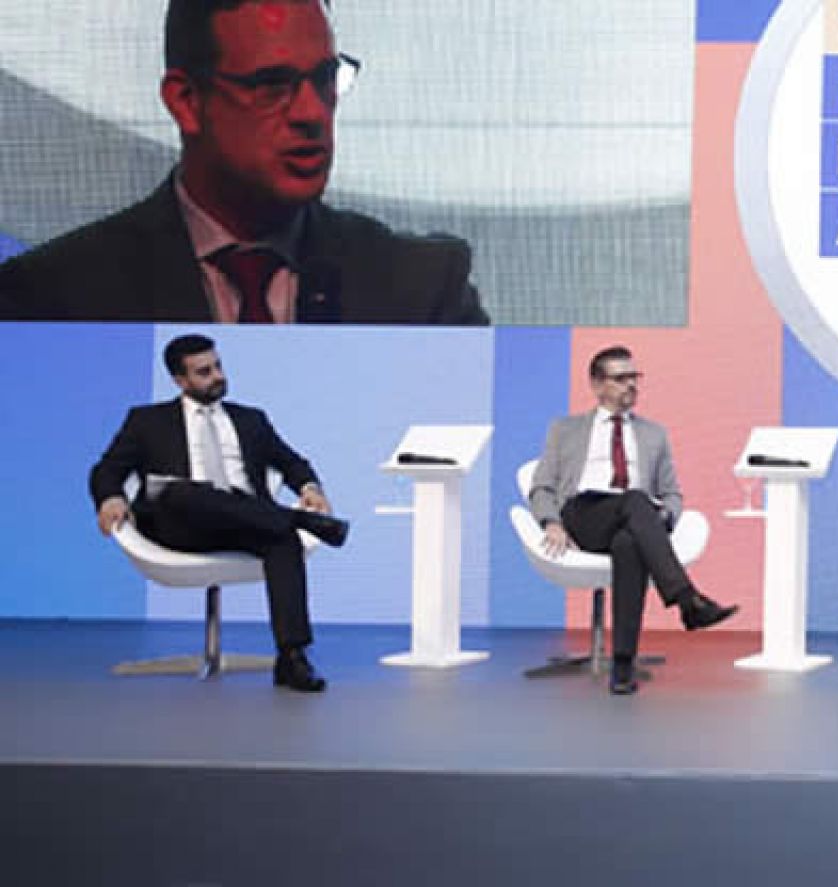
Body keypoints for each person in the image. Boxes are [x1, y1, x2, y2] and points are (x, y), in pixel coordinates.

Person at [0, 0, 488, 325]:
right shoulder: (54, 299)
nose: (311, 113)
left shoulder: (420, 290)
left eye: (325, 78)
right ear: (186, 102)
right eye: (272, 86)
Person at [89, 334, 349, 692]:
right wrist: (110, 498)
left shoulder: (251, 419)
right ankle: (299, 520)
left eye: (218, 367)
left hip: (245, 522)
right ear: (180, 380)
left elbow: (291, 462)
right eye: (204, 372)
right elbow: (106, 469)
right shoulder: (147, 421)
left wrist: (309, 488)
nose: (217, 376)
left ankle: (292, 658)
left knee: (282, 539)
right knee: (177, 490)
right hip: (181, 524)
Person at [527, 345, 737, 695]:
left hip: (636, 519)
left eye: (635, 377)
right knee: (636, 501)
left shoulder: (654, 434)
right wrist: (551, 522)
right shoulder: (566, 429)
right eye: (621, 378)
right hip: (584, 515)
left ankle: (623, 667)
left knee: (629, 543)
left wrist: (663, 518)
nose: (631, 385)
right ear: (597, 385)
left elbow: (672, 494)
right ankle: (688, 600)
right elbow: (541, 486)